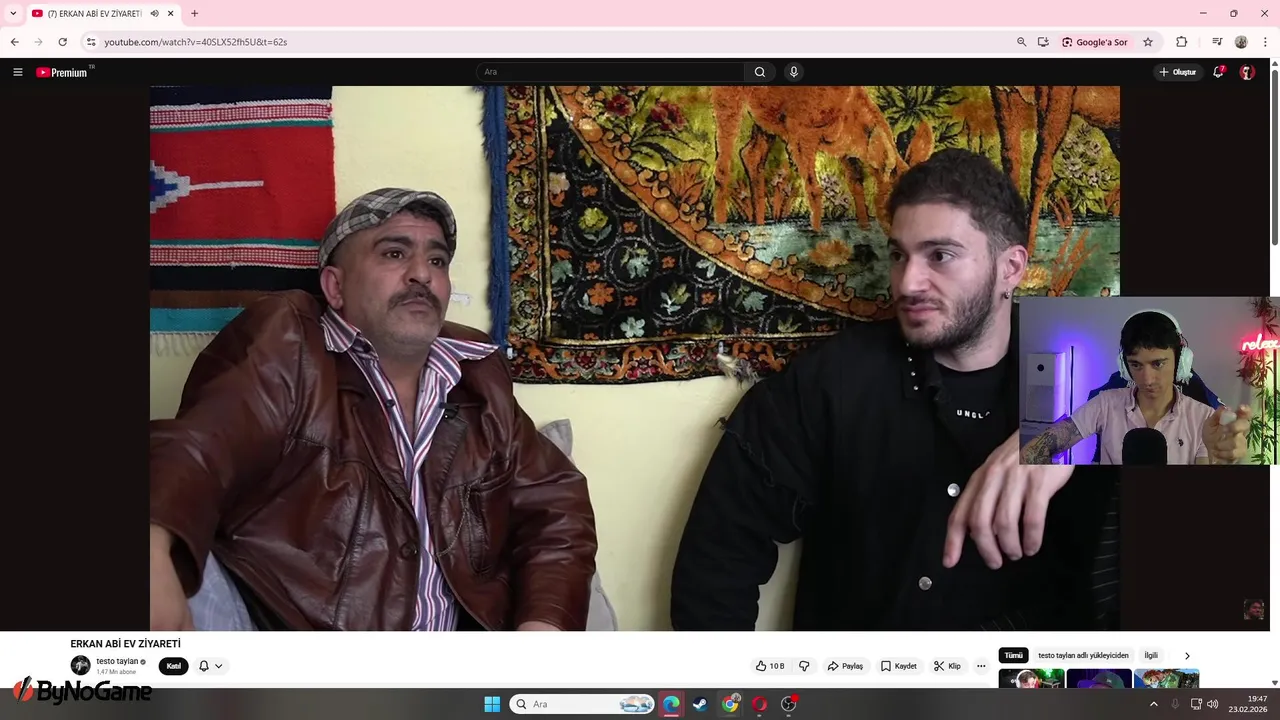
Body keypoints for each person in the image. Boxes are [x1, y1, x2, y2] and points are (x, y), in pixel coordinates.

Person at [670, 149, 1110, 631]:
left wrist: (1060, 434)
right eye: (899, 255)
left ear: (1011, 268)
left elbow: (1169, 353)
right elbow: (715, 565)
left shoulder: (1074, 364)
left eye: (940, 255)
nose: (907, 282)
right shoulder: (836, 379)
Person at [150, 188, 598, 631]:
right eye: (394, 254)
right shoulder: (290, 341)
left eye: (437, 260)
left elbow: (554, 504)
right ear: (335, 287)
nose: (421, 274)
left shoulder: (477, 373)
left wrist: (544, 625)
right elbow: (204, 443)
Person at [1020, 310, 1250, 466]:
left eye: (1158, 364)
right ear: (1124, 366)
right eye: (1136, 365)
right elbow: (1034, 451)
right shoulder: (1105, 404)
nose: (1147, 379)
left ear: (1181, 362)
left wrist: (1218, 456)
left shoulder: (1203, 418)